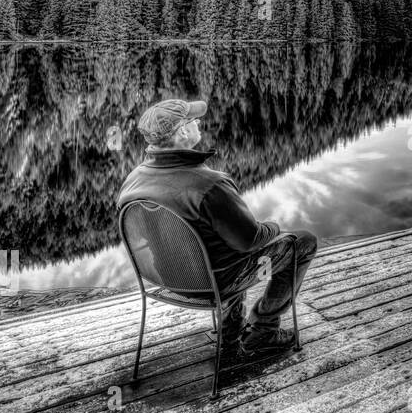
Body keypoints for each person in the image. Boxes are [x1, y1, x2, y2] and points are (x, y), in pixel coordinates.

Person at [117, 98, 317, 358]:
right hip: (213, 283)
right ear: (183, 132)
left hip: (165, 278)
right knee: (303, 241)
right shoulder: (209, 184)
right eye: (193, 120)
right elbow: (250, 240)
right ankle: (264, 329)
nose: (199, 122)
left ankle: (231, 335)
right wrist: (274, 227)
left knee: (220, 246)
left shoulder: (133, 180)